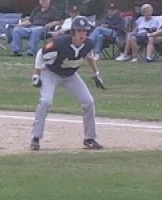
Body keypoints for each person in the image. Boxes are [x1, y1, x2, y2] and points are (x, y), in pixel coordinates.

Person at [29, 17, 105, 152]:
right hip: (51, 73)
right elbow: (41, 53)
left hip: (70, 75)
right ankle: (35, 137)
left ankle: (89, 139)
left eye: (85, 30)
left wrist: (96, 74)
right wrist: (36, 74)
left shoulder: (88, 43)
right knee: (46, 101)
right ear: (73, 32)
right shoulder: (60, 42)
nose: (82, 33)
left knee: (88, 101)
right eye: (79, 30)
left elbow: (89, 56)